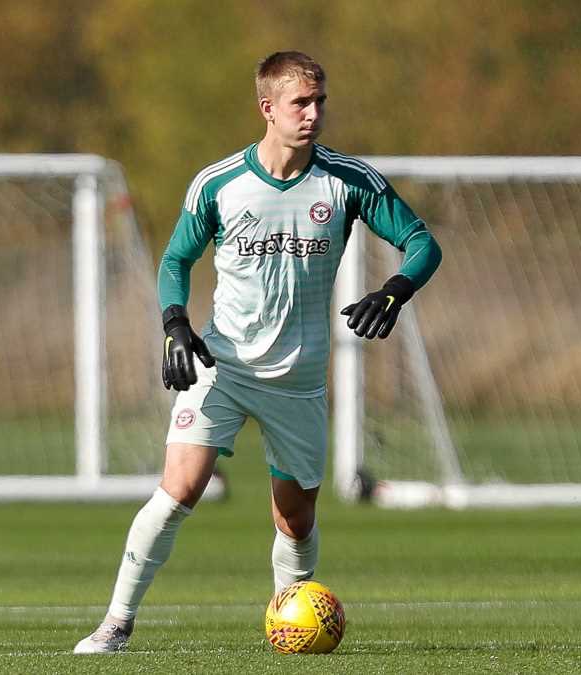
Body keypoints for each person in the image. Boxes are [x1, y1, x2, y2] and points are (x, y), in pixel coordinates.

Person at [74, 50, 442, 654]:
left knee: (294, 520)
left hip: (299, 380)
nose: (315, 112)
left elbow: (422, 242)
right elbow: (175, 260)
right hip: (223, 366)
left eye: (321, 100)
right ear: (267, 108)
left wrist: (396, 290)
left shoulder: (349, 181)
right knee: (179, 490)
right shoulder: (219, 183)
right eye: (302, 102)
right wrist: (174, 322)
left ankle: (289, 625)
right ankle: (114, 624)